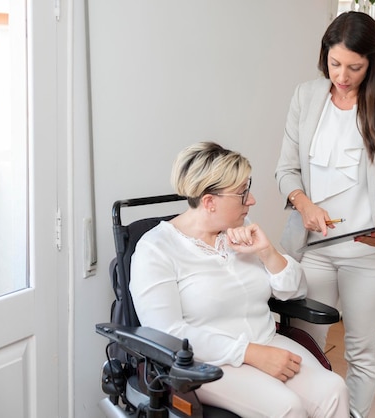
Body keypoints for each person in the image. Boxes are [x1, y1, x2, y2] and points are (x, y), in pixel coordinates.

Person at [130, 142, 349, 418]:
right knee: (287, 408)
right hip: (206, 362)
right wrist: (250, 353)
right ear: (209, 202)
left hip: (266, 341)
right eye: (243, 193)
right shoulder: (156, 249)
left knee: (334, 390)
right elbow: (167, 331)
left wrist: (267, 251)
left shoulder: (240, 232)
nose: (252, 200)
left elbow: (294, 290)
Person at [275, 11, 375, 417]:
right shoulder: (306, 96)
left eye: (354, 67)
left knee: (362, 350)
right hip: (314, 249)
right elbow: (285, 170)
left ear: (372, 62)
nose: (342, 75)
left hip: (370, 256)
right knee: (304, 348)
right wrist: (304, 204)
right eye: (335, 64)